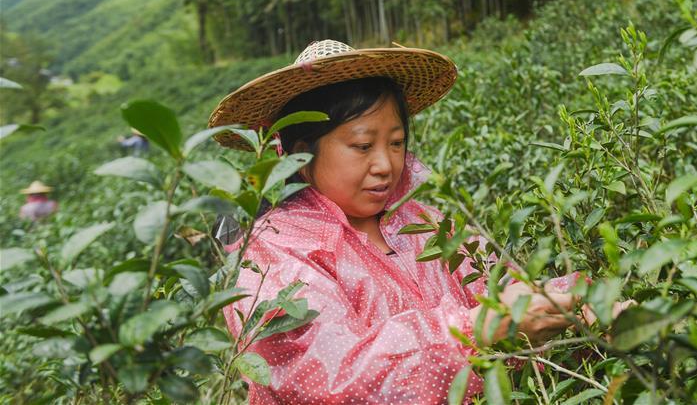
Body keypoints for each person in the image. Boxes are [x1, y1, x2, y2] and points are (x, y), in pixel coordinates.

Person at [208, 40, 616, 404]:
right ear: (301, 154)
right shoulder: (274, 252)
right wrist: (478, 329)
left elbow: (504, 286)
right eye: (362, 146)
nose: (385, 164)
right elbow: (332, 376)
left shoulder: (423, 222)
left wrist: (583, 303)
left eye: (397, 142)